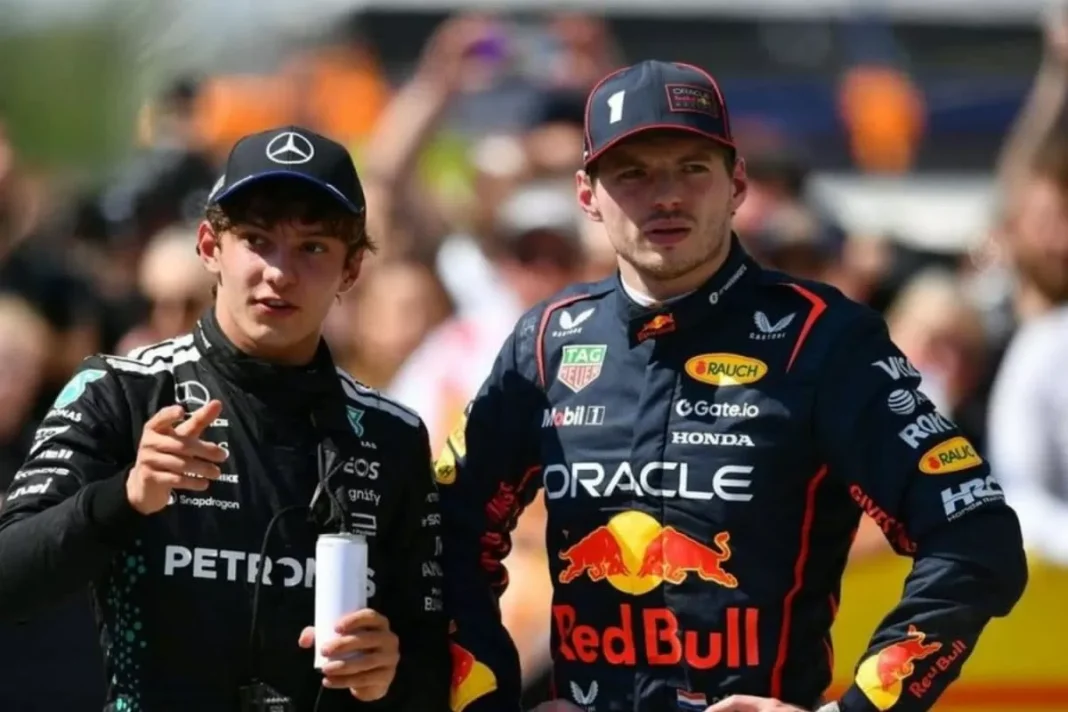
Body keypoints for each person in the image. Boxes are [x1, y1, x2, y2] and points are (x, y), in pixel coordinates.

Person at [436, 61, 1027, 712]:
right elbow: (444, 532)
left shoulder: (824, 340)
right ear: (587, 194)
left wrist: (857, 709)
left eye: (692, 169)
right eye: (633, 174)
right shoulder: (546, 341)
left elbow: (976, 535)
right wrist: (488, 700)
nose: (666, 196)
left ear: (737, 183)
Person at [0, 125, 450, 711]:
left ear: (351, 270)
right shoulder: (122, 392)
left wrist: (387, 673)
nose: (280, 273)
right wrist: (125, 497)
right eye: (258, 241)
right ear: (210, 246)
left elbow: (432, 662)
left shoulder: (392, 436)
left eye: (313, 248)